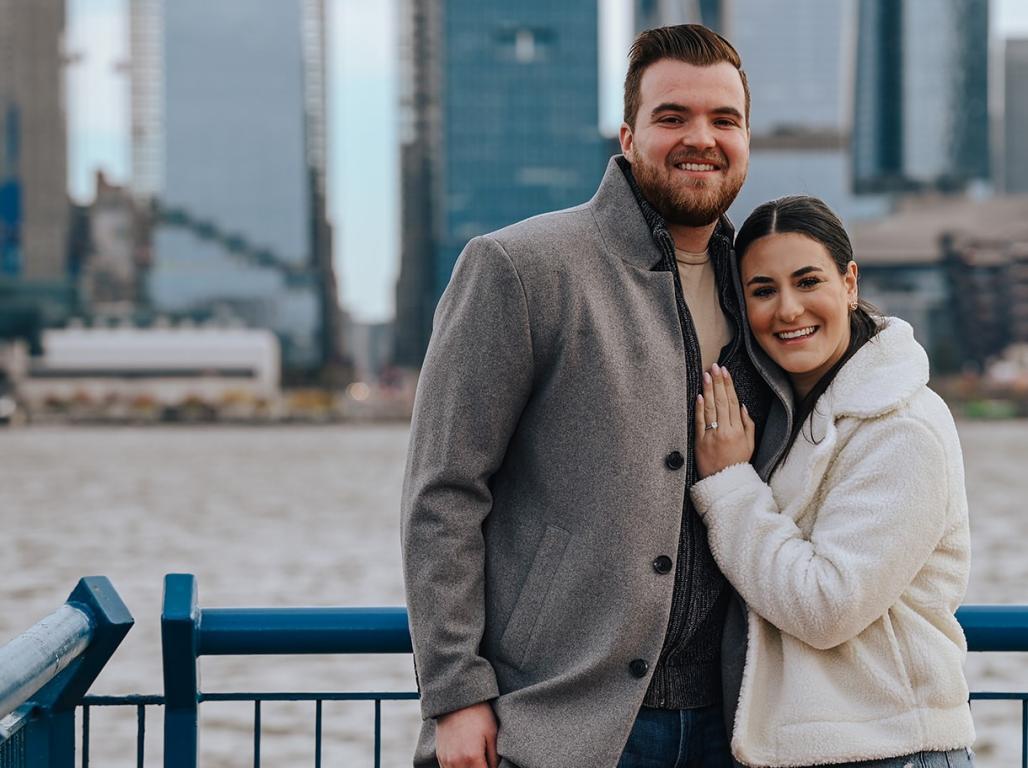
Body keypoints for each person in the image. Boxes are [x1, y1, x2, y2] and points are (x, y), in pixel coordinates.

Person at [401, 24, 793, 768]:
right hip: (560, 723)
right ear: (627, 134)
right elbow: (443, 492)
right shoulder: (519, 268)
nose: (700, 138)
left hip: (740, 723)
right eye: (672, 117)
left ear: (747, 139)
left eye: (724, 120)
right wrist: (454, 695)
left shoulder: (765, 290)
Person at [689, 195, 976, 768]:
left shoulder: (902, 426)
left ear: (849, 281)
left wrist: (727, 485)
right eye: (763, 290)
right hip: (826, 747)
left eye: (807, 280)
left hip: (893, 751)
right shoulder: (792, 418)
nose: (788, 309)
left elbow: (828, 607)